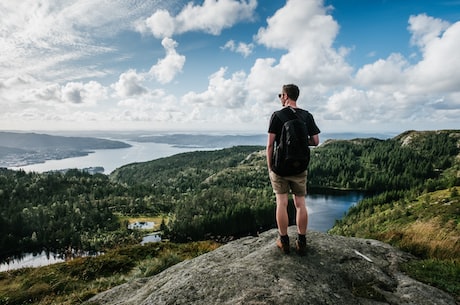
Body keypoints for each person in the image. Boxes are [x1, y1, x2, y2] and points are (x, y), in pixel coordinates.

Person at [266, 84, 320, 255]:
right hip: (299, 167)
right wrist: (300, 143)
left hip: (280, 167)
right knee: (300, 204)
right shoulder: (306, 116)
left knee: (281, 203)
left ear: (286, 96)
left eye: (280, 95)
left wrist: (270, 168)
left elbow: (269, 145)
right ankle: (301, 241)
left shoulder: (277, 116)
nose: (280, 98)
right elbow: (315, 141)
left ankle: (284, 241)